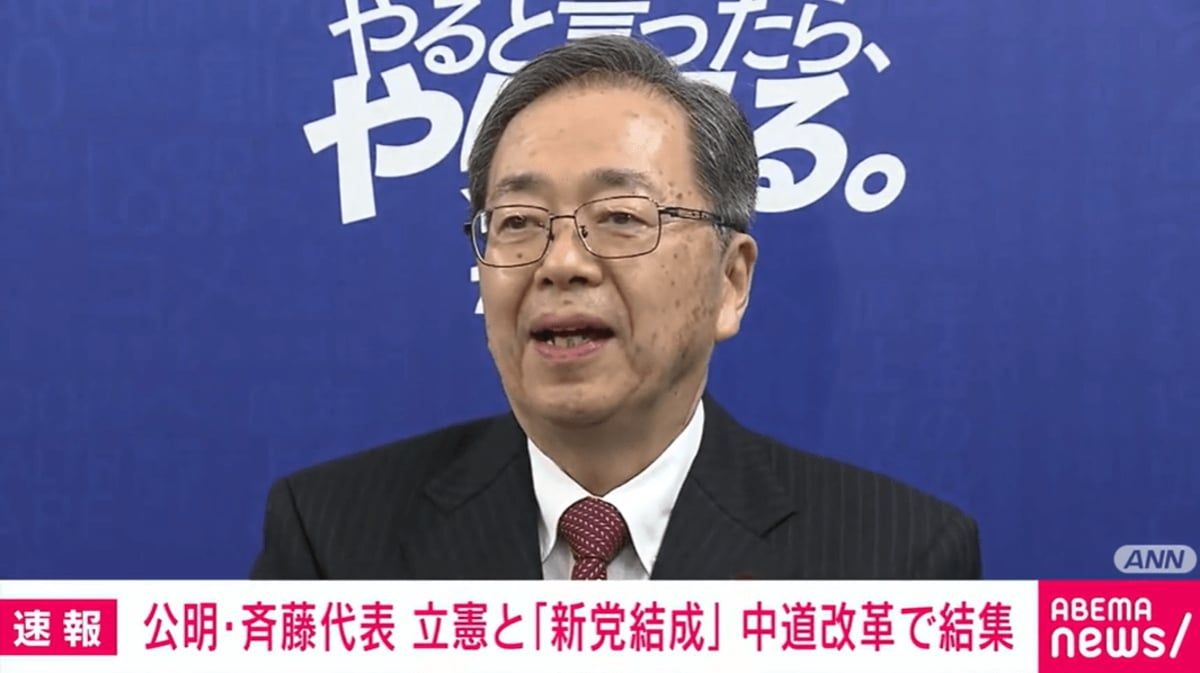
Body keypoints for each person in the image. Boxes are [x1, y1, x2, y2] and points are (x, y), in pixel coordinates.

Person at [250, 35, 981, 580]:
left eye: (622, 217)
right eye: (518, 222)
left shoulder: (896, 559)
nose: (561, 263)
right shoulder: (332, 539)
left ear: (730, 282)